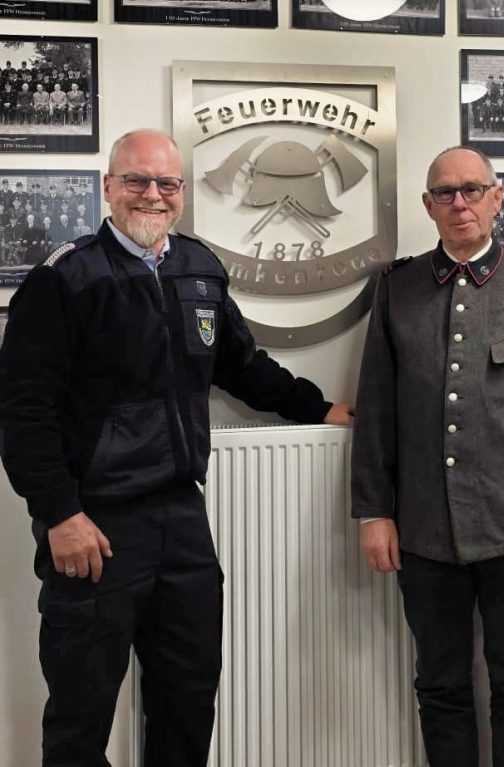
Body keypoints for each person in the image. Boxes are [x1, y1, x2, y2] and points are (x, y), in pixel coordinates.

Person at [0, 128, 353, 767]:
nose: (152, 195)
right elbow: (23, 409)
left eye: (166, 183)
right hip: (94, 523)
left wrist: (320, 407)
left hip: (183, 521)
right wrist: (59, 513)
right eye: (137, 180)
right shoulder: (66, 278)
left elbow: (241, 366)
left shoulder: (198, 268)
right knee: (81, 718)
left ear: (182, 194)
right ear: (109, 188)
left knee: (188, 702)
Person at [351, 146, 504, 767]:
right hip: (425, 531)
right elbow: (377, 411)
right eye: (445, 193)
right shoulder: (398, 289)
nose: (459, 204)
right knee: (439, 685)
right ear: (428, 205)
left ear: (497, 197)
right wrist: (375, 511)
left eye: (472, 190)